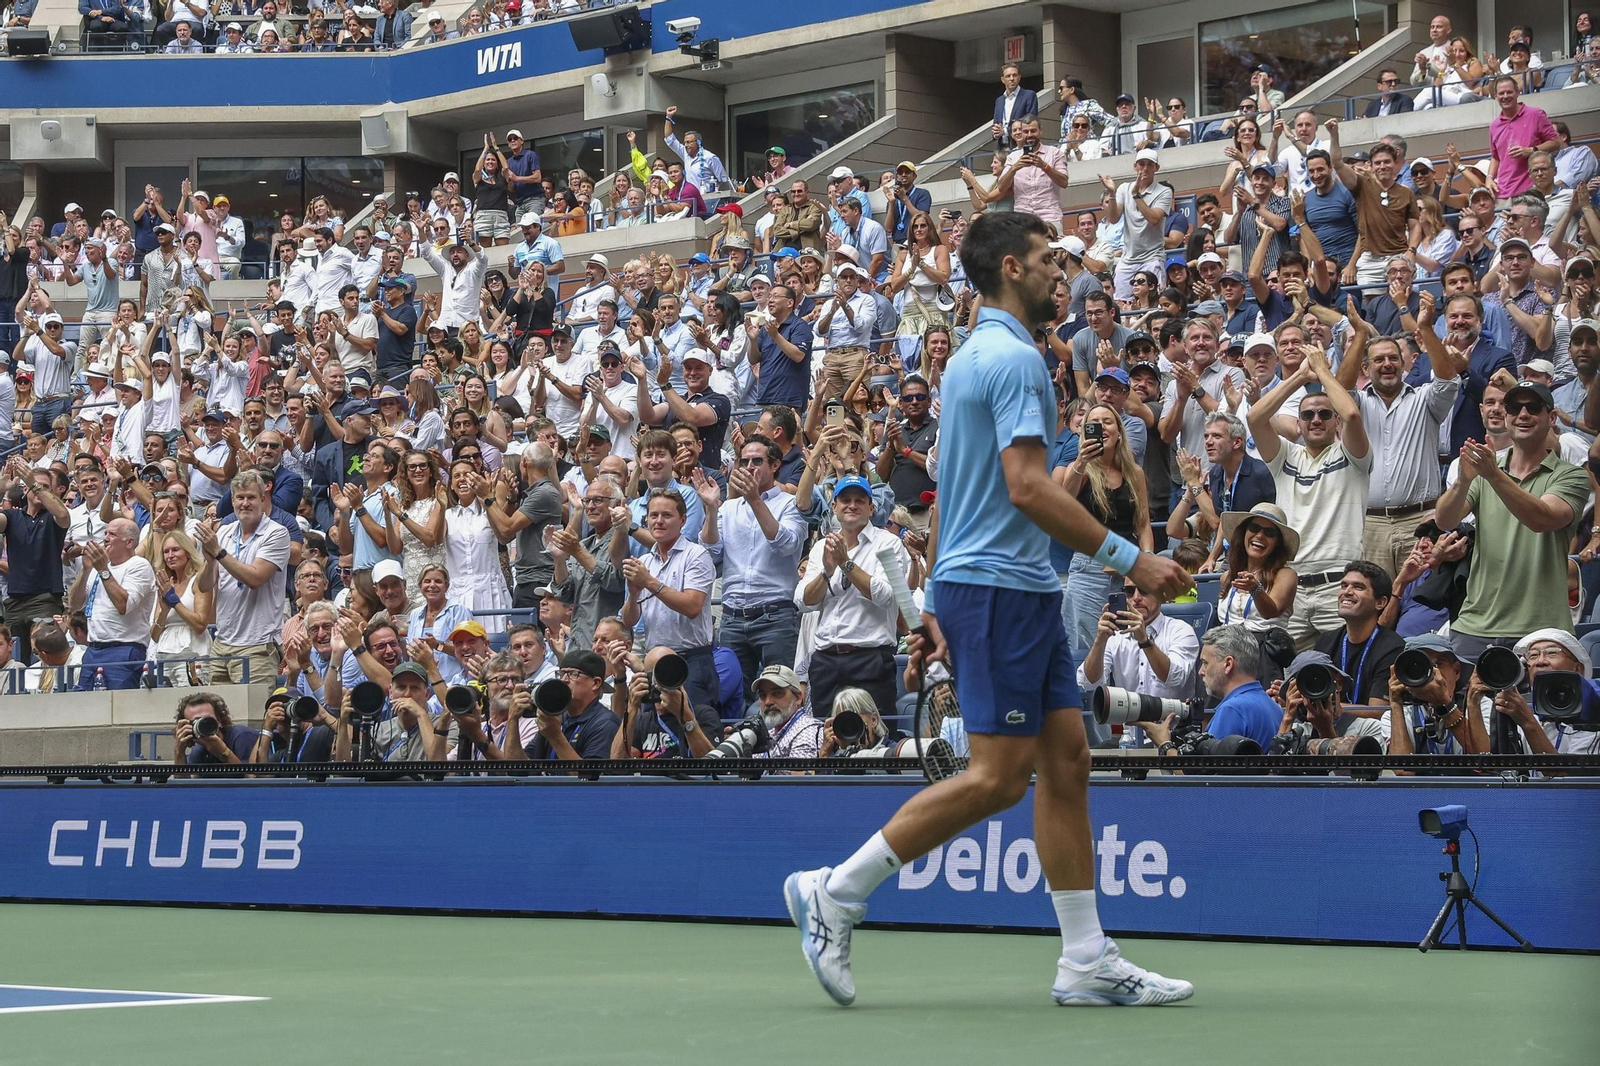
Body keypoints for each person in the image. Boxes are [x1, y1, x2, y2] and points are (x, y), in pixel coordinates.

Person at [783, 211, 1193, 1010]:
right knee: (1000, 777)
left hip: (1012, 589)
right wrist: (1131, 558)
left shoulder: (977, 355)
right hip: (1000, 589)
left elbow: (955, 495)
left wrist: (932, 593)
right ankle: (837, 890)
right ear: (1010, 268)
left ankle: (1085, 960)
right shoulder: (1012, 359)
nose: (1060, 272)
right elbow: (1027, 487)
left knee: (1067, 760)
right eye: (1047, 259)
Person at [1435, 380, 1588, 661]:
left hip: (1541, 630)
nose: (1523, 414)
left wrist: (1493, 475)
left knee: (1536, 707)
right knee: (1466, 704)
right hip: (1475, 625)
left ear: (1551, 418)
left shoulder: (1570, 475)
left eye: (1533, 407)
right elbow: (1445, 519)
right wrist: (1462, 481)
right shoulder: (1485, 468)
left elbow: (1542, 519)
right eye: (1514, 407)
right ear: (1505, 417)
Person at [1247, 345, 1371, 650]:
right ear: (1298, 424)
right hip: (1293, 586)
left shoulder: (1352, 455)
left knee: (1342, 671)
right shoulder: (1286, 455)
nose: (1316, 419)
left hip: (1339, 586)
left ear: (1335, 422)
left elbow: (1353, 413)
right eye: (1308, 415)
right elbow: (1254, 417)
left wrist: (1323, 372)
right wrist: (1300, 376)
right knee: (1289, 678)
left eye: (1325, 413)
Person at [700, 436, 807, 695]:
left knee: (782, 695)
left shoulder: (790, 504)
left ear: (775, 465)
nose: (749, 467)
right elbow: (711, 552)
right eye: (744, 461)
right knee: (730, 696)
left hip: (776, 616)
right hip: (733, 617)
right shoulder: (730, 508)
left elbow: (786, 545)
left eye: (757, 461)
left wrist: (755, 500)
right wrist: (712, 510)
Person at [1059, 402, 1153, 649]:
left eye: (1107, 422)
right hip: (1089, 567)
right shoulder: (1079, 469)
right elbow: (1063, 506)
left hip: (1127, 566)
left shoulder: (1134, 472)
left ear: (1119, 431)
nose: (1101, 427)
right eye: (1094, 423)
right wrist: (1080, 462)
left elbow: (1142, 524)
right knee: (1089, 648)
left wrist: (1148, 559)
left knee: (1127, 644)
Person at [195, 470, 292, 684]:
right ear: (232, 500)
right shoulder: (223, 533)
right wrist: (210, 559)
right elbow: (204, 585)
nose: (245, 503)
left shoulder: (277, 533)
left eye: (251, 497)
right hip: (221, 644)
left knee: (254, 716)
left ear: (263, 499)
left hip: (257, 645)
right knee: (219, 714)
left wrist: (218, 552)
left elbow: (255, 578)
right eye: (240, 497)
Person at [1077, 578, 1199, 748]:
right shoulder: (1115, 636)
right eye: (1129, 591)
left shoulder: (1181, 630)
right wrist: (1100, 640)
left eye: (1144, 589)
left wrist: (1144, 640)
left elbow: (1174, 678)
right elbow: (1088, 682)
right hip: (1129, 740)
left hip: (1175, 737)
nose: (1136, 597)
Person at [1146, 624, 1280, 752]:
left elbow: (1203, 773)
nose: (1200, 671)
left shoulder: (1233, 710)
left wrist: (1164, 744)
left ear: (1228, 664)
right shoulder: (1272, 705)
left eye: (1205, 663)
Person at [64, 517, 154, 690]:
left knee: (120, 709)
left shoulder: (139, 565)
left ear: (129, 542)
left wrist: (103, 569)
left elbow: (124, 606)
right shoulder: (98, 567)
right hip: (93, 649)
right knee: (89, 708)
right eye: (105, 533)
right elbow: (74, 606)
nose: (105, 538)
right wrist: (86, 570)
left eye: (112, 534)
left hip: (124, 649)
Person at [0, 460, 70, 662]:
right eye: (34, 485)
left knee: (44, 657)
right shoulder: (13, 516)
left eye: (45, 487)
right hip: (15, 600)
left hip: (45, 599)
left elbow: (63, 514)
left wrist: (34, 483)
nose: (39, 490)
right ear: (25, 490)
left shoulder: (54, 517)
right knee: (12, 660)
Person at [1311, 561, 1404, 707]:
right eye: (1344, 585)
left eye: (1358, 587)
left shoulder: (1393, 648)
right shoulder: (1325, 641)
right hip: (1326, 723)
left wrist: (1329, 706)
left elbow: (1378, 711)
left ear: (1380, 602)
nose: (1347, 592)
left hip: (1370, 728)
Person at [524, 650, 622, 761]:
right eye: (561, 674)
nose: (564, 680)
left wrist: (555, 737)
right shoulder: (558, 716)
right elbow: (520, 768)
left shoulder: (605, 723)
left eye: (573, 674)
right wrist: (513, 719)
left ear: (595, 683)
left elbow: (591, 776)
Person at [174, 692, 259, 767]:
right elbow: (184, 784)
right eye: (197, 722)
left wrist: (224, 752)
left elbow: (251, 778)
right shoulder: (199, 749)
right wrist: (179, 753)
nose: (204, 725)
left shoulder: (242, 736)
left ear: (219, 721)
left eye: (208, 719)